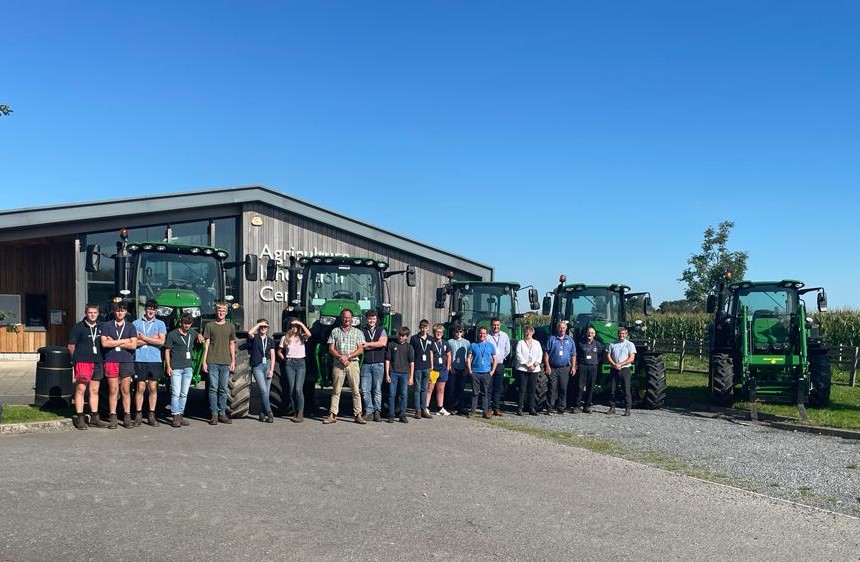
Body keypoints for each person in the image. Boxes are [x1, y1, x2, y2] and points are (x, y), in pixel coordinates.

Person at [68, 303, 108, 429]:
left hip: (98, 361)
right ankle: (80, 417)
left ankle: (95, 417)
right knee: (81, 389)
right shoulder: (78, 327)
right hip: (83, 361)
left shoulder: (102, 326)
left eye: (95, 312)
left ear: (98, 313)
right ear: (86, 313)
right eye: (90, 312)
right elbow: (71, 346)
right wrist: (75, 360)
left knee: (95, 390)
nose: (93, 315)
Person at [323, 309, 365, 425]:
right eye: (345, 317)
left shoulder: (358, 332)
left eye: (349, 317)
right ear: (342, 318)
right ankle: (332, 414)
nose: (347, 319)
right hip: (338, 364)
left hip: (352, 363)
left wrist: (348, 356)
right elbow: (331, 348)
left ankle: (358, 414)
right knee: (336, 390)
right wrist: (340, 357)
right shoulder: (335, 331)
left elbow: (360, 349)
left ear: (352, 319)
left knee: (355, 390)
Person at [100, 302, 138, 429]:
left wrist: (115, 342)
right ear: (114, 312)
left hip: (126, 361)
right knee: (113, 390)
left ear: (126, 312)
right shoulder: (106, 325)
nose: (120, 313)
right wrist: (125, 341)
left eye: (122, 311)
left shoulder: (131, 326)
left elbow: (133, 345)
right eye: (117, 311)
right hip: (111, 360)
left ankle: (127, 416)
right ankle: (113, 416)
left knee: (126, 389)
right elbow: (105, 344)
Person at [164, 313, 202, 427]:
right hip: (176, 368)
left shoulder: (192, 333)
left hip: (188, 368)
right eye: (185, 323)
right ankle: (175, 415)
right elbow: (167, 351)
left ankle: (180, 414)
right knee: (175, 393)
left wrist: (200, 335)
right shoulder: (172, 334)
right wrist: (168, 366)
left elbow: (199, 336)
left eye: (189, 324)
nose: (187, 326)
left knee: (184, 393)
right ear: (181, 322)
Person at [133, 300, 167, 427]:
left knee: (153, 387)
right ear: (145, 309)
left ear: (156, 311)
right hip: (140, 359)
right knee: (140, 387)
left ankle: (152, 414)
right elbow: (134, 342)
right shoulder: (136, 323)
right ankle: (138, 413)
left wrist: (144, 338)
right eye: (149, 308)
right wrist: (153, 339)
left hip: (154, 360)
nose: (151, 311)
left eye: (153, 309)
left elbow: (161, 341)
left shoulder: (160, 324)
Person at [202, 302, 236, 425]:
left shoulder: (230, 327)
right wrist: (204, 361)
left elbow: (232, 344)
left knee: (223, 389)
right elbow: (206, 344)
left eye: (223, 310)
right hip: (212, 361)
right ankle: (214, 414)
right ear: (216, 311)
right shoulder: (209, 326)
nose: (221, 312)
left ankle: (222, 413)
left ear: (226, 312)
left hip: (225, 361)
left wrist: (233, 361)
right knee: (213, 388)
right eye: (219, 310)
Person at [278, 319, 311, 423]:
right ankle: (295, 411)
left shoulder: (301, 337)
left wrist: (301, 323)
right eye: (293, 326)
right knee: (292, 389)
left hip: (301, 363)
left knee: (298, 389)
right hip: (290, 364)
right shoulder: (284, 338)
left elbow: (309, 334)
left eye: (296, 326)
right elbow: (279, 351)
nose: (294, 328)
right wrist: (284, 359)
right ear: (289, 327)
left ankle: (300, 412)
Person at [244, 318, 276, 423]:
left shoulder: (270, 341)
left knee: (266, 392)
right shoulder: (255, 338)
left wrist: (271, 370)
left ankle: (262, 414)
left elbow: (273, 356)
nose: (263, 328)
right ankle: (269, 412)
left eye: (265, 327)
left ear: (268, 329)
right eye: (261, 326)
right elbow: (249, 333)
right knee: (263, 390)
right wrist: (259, 324)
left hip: (267, 366)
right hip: (257, 367)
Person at [543, 320, 576, 415]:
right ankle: (550, 408)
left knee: (563, 388)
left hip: (565, 368)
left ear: (566, 329)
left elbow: (573, 354)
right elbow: (546, 354)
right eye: (560, 328)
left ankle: (561, 408)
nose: (562, 330)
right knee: (552, 388)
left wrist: (573, 367)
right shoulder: (552, 339)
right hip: (553, 368)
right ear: (558, 329)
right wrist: (547, 366)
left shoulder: (570, 340)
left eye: (564, 328)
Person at [360, 310, 387, 422]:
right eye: (370, 319)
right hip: (365, 364)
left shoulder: (382, 330)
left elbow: (383, 343)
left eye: (374, 319)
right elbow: (361, 345)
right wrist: (374, 345)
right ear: (367, 319)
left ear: (376, 320)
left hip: (378, 364)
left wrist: (368, 344)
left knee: (377, 389)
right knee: (365, 390)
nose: (371, 321)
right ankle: (369, 411)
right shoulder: (362, 331)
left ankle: (377, 411)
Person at [385, 326, 414, 423]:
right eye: (399, 335)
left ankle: (402, 415)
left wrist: (411, 377)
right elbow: (387, 360)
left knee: (403, 395)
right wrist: (387, 374)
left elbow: (411, 363)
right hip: (393, 372)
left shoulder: (409, 347)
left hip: (404, 374)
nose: (400, 337)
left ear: (406, 337)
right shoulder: (391, 345)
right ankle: (391, 415)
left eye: (403, 336)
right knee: (391, 394)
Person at [466, 326, 497, 419]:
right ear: (478, 334)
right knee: (475, 393)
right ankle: (472, 411)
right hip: (475, 372)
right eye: (480, 333)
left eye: (484, 333)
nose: (482, 335)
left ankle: (485, 412)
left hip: (486, 373)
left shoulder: (490, 346)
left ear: (487, 335)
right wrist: (470, 370)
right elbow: (469, 358)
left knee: (485, 393)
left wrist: (492, 371)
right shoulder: (473, 345)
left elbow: (495, 359)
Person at [607, 327, 636, 416]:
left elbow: (631, 358)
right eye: (620, 333)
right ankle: (612, 407)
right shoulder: (612, 344)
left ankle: (627, 409)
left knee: (626, 389)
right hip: (614, 369)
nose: (621, 335)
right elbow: (608, 355)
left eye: (623, 333)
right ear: (618, 334)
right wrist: (614, 364)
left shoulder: (630, 344)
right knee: (613, 389)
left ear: (626, 335)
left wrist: (621, 364)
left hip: (625, 369)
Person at [574, 327, 603, 413]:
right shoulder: (580, 343)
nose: (590, 334)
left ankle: (587, 406)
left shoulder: (598, 344)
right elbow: (577, 354)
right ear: (586, 333)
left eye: (592, 333)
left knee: (590, 387)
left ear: (594, 334)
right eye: (589, 332)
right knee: (580, 387)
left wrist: (596, 362)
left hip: (593, 366)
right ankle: (577, 406)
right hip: (583, 366)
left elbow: (600, 355)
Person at [515, 325, 542, 416]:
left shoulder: (537, 343)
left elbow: (540, 355)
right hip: (523, 369)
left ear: (533, 333)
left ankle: (531, 408)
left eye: (530, 331)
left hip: (534, 370)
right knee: (522, 389)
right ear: (524, 333)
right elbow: (519, 355)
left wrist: (535, 364)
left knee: (532, 389)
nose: (528, 333)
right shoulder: (520, 343)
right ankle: (519, 408)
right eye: (526, 331)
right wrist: (527, 365)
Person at [487, 318, 511, 416]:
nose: (496, 327)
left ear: (500, 325)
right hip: (489, 365)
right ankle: (488, 408)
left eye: (497, 325)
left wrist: (501, 358)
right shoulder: (487, 336)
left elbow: (507, 349)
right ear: (491, 325)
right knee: (488, 388)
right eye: (494, 325)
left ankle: (496, 408)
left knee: (497, 388)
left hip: (500, 364)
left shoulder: (504, 336)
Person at [409, 319, 433, 419]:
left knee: (425, 389)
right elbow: (411, 353)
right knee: (417, 389)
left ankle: (424, 409)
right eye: (422, 327)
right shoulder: (414, 338)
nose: (424, 329)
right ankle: (417, 410)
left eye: (425, 327)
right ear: (419, 327)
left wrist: (432, 365)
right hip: (417, 366)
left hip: (427, 367)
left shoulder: (431, 339)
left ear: (428, 328)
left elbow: (431, 352)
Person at [427, 323, 451, 415]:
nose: (439, 334)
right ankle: (426, 407)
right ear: (434, 332)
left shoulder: (445, 343)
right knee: (430, 389)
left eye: (440, 332)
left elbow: (449, 355)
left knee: (441, 390)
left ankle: (439, 408)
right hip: (433, 370)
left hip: (443, 369)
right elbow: (430, 354)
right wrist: (431, 367)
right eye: (437, 332)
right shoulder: (431, 342)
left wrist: (448, 368)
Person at [446, 323, 470, 414]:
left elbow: (469, 356)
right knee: (451, 389)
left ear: (462, 332)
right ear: (453, 332)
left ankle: (460, 407)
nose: (458, 333)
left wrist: (467, 369)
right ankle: (450, 407)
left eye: (460, 332)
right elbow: (448, 355)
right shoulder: (450, 342)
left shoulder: (467, 343)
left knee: (461, 389)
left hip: (463, 369)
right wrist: (451, 367)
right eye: (456, 332)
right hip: (453, 368)